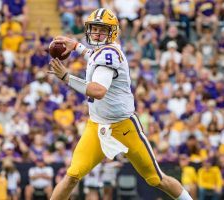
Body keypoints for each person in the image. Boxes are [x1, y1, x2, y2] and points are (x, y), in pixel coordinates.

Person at [49, 8, 193, 200]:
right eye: (94, 28)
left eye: (102, 30)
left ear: (112, 32)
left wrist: (67, 77)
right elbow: (93, 57)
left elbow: (98, 91)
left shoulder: (109, 54)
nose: (97, 34)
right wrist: (76, 46)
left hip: (124, 126)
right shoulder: (101, 51)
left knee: (156, 179)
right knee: (72, 176)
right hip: (97, 126)